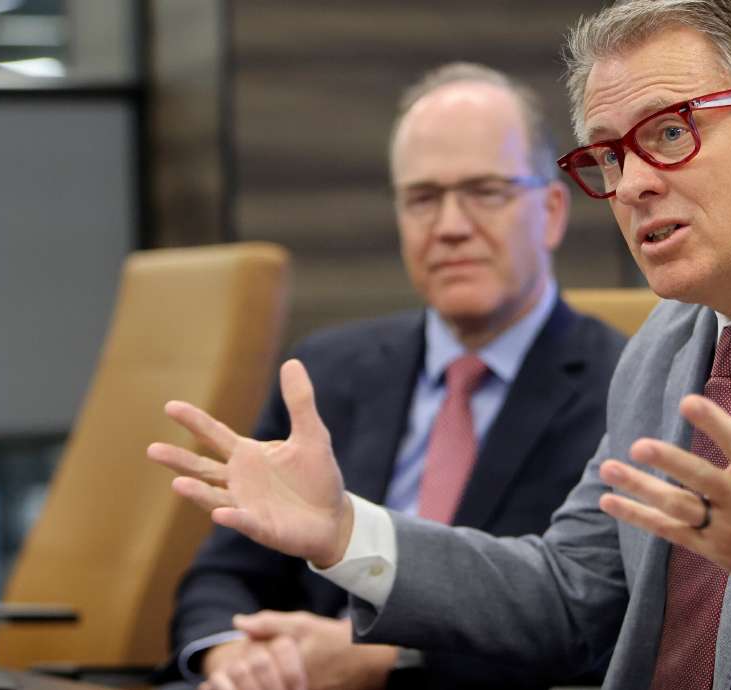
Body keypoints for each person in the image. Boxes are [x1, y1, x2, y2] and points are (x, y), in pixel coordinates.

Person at [151, 1, 731, 687]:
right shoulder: (670, 342)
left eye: (668, 133)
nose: (633, 184)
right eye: (608, 157)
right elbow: (573, 597)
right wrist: (344, 533)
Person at [163, 62, 626, 690]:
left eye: (486, 191)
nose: (451, 226)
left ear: (550, 212)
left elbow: (601, 623)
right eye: (423, 198)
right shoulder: (323, 374)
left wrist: (384, 659)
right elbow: (225, 574)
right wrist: (234, 658)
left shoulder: (622, 389)